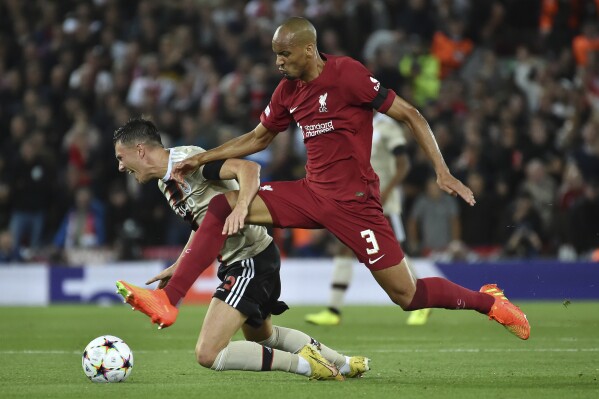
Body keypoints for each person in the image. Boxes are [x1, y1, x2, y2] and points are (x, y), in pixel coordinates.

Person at [118, 17, 530, 341]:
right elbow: (259, 137)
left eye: (284, 54)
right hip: (311, 193)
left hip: (356, 204)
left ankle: (488, 303)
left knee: (409, 296)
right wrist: (205, 157)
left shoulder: (347, 74)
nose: (277, 62)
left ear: (308, 49)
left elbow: (410, 114)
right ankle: (169, 300)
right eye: (274, 54)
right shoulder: (288, 91)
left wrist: (443, 170)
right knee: (224, 203)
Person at [113, 118, 368, 381]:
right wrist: (180, 264)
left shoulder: (191, 162)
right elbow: (201, 224)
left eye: (121, 157)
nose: (121, 166)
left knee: (208, 353)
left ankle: (306, 365)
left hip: (250, 259)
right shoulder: (164, 182)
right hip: (248, 259)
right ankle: (345, 363)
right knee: (265, 336)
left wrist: (242, 206)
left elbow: (248, 169)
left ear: (140, 150)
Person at [304, 112, 431, 326]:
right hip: (359, 197)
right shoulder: (352, 122)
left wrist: (387, 193)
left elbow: (403, 165)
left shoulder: (387, 127)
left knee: (395, 250)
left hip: (384, 199)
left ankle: (423, 303)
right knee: (345, 246)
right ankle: (333, 310)